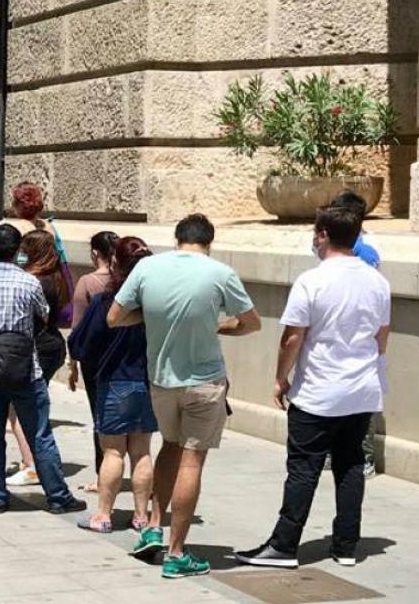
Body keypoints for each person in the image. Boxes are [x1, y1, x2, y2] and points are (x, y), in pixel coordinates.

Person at [235, 206, 392, 570]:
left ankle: (284, 545)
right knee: (350, 465)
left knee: (303, 468)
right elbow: (381, 338)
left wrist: (280, 378)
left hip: (319, 392)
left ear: (322, 234)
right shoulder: (377, 282)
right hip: (362, 390)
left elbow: (292, 337)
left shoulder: (312, 281)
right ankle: (346, 545)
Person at [108, 213, 261, 579]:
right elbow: (252, 323)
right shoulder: (219, 273)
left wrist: (152, 319)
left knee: (170, 447)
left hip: (161, 380)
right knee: (192, 460)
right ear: (209, 241)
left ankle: (152, 528)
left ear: (177, 238)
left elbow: (115, 317)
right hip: (204, 380)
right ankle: (176, 553)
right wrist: (220, 325)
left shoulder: (147, 269)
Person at [0, 223, 85, 515]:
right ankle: (57, 496)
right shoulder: (29, 283)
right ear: (18, 250)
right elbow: (43, 317)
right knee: (40, 432)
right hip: (25, 368)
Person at [69, 237, 158, 533]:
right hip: (146, 381)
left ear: (116, 263)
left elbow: (81, 343)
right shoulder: (157, 305)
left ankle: (104, 515)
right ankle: (142, 516)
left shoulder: (106, 302)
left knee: (113, 452)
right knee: (142, 451)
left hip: (115, 380)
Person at [4, 228, 73, 487]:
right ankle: (32, 460)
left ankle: (32, 464)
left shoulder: (36, 282)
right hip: (52, 344)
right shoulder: (56, 278)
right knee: (30, 404)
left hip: (38, 346)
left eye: (25, 248)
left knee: (21, 409)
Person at [329, 190, 382, 479]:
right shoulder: (335, 242)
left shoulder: (366, 249)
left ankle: (364, 457)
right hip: (338, 328)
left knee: (362, 397)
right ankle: (334, 452)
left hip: (358, 330)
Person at [68, 230, 119, 490]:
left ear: (95, 253)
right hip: (124, 356)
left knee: (99, 416)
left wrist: (72, 364)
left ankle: (104, 474)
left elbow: (77, 328)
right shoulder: (126, 280)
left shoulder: (87, 282)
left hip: (95, 359)